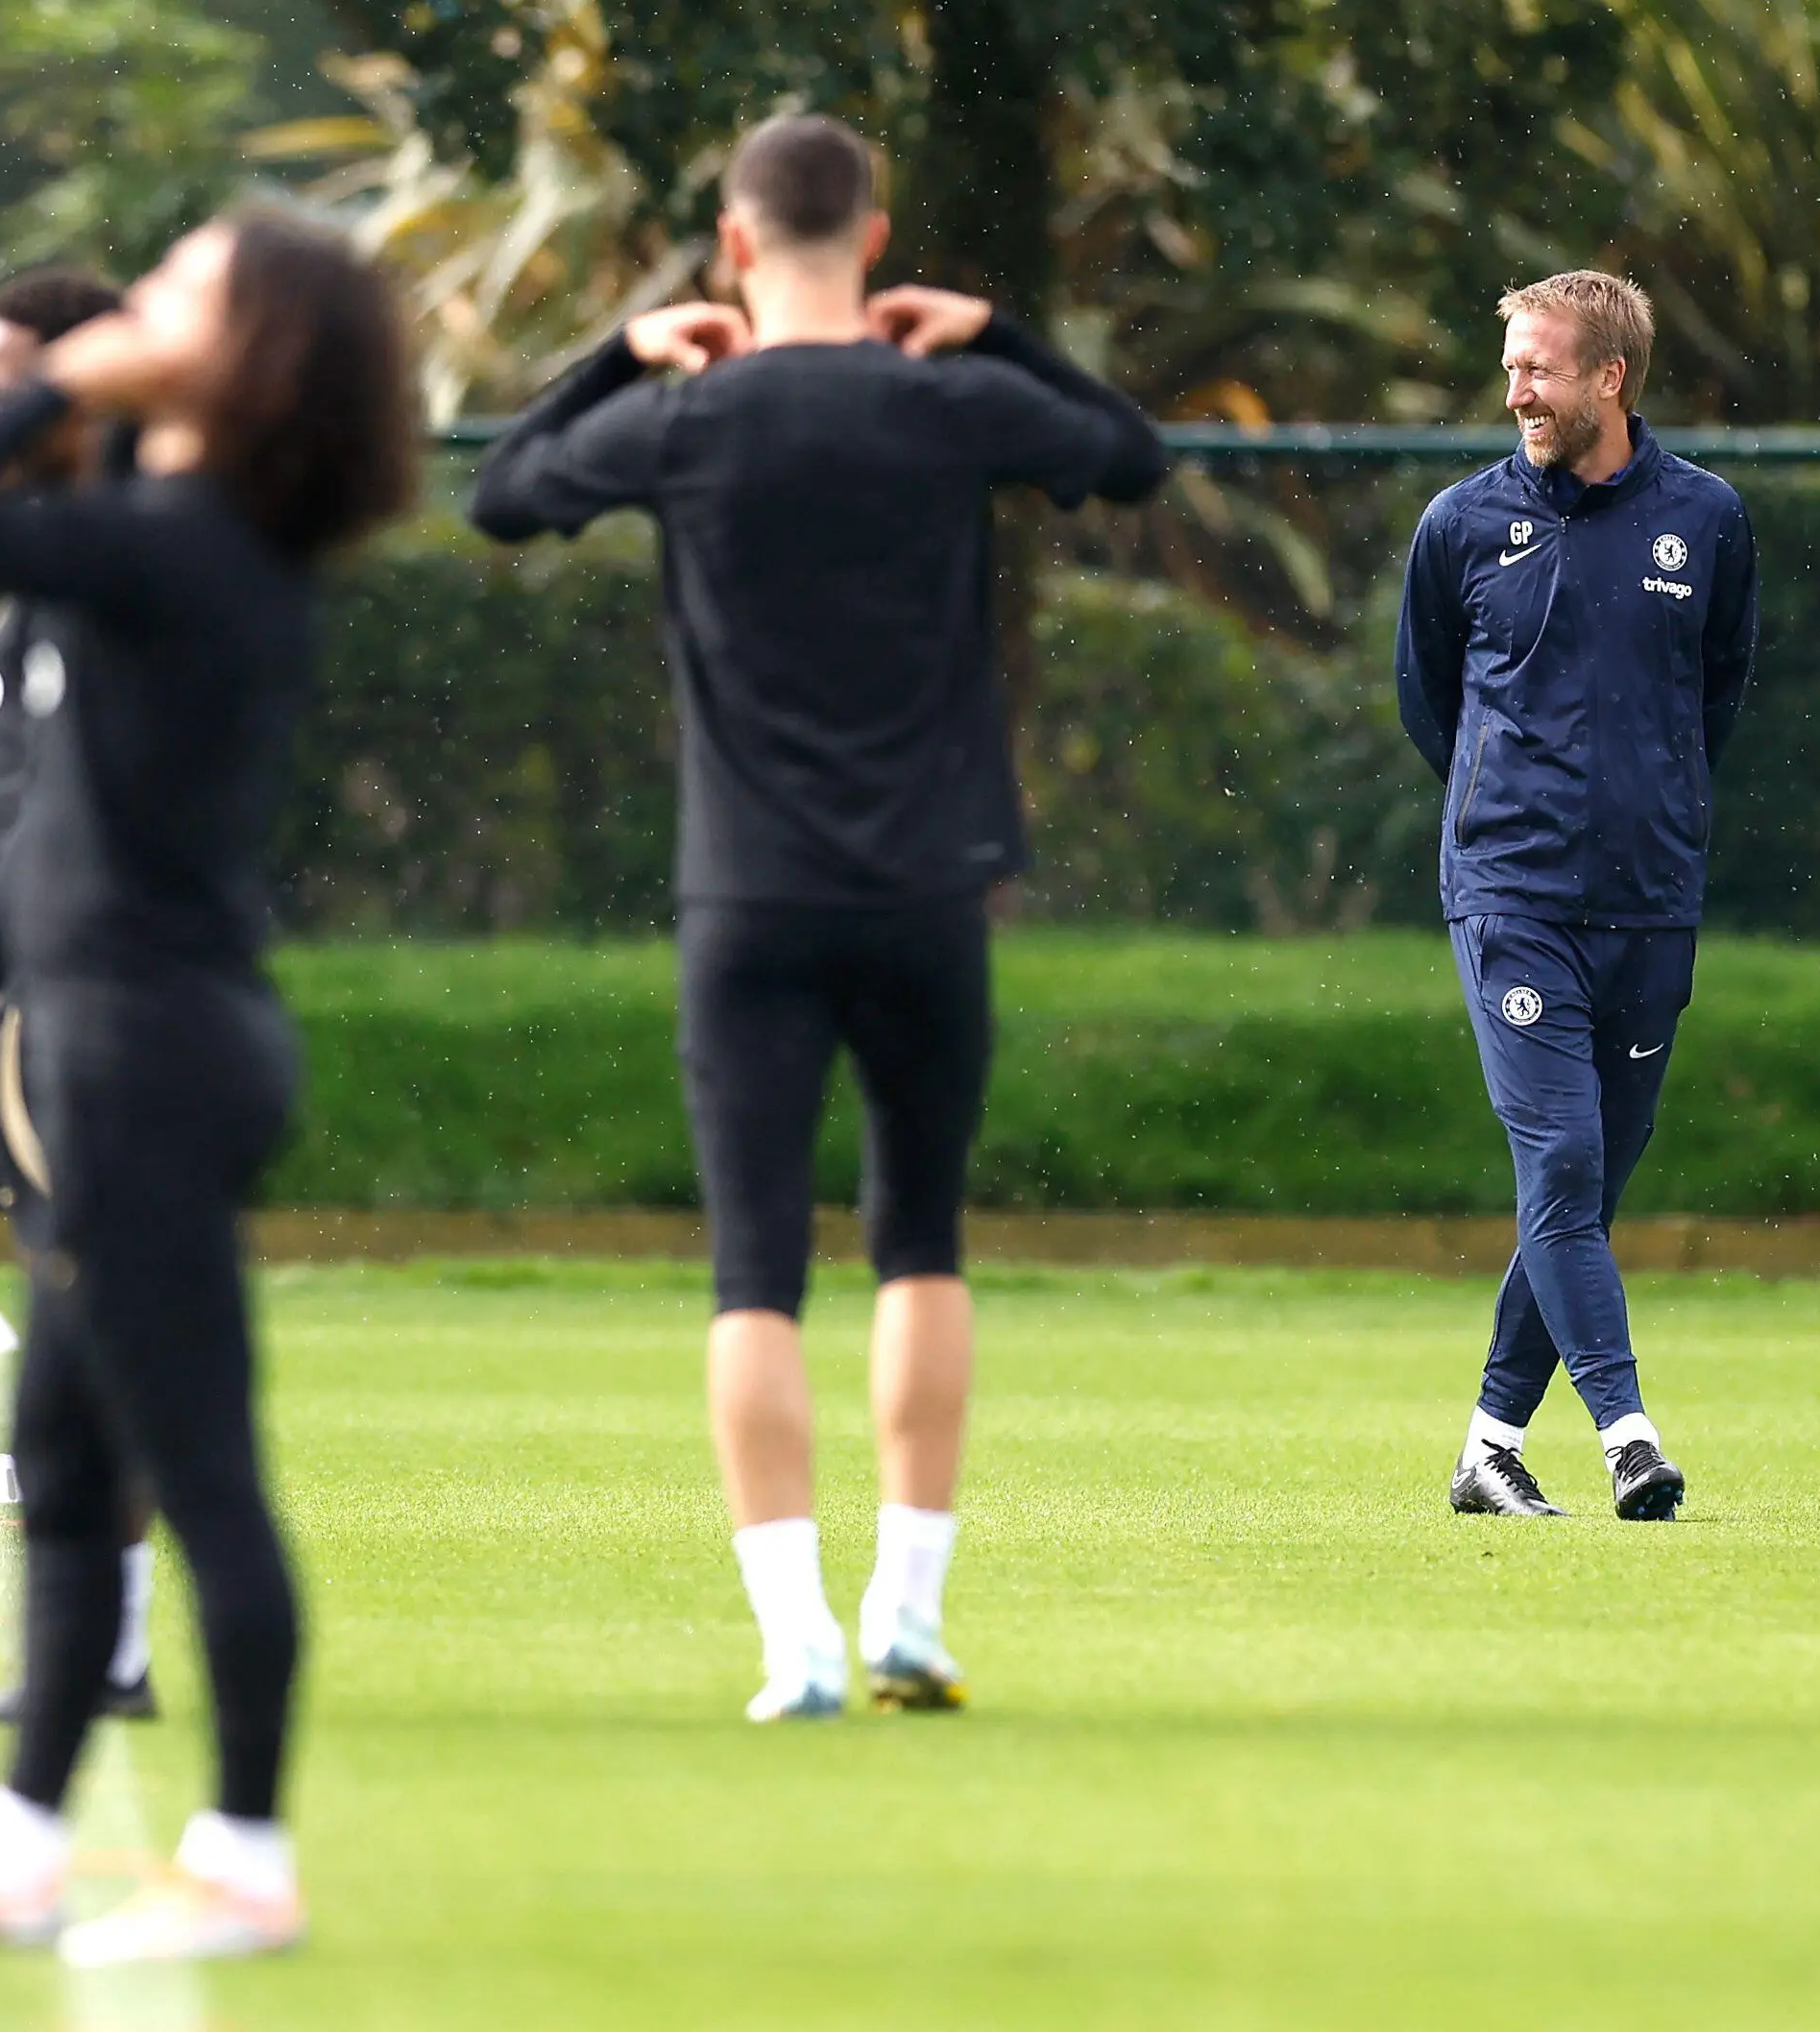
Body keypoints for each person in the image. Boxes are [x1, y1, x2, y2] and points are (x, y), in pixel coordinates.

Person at [469, 113, 1169, 1723]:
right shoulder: (948, 404)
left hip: (749, 896)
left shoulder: (688, 420)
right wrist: (1000, 333)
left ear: (729, 244)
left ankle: (793, 1642)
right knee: (919, 1240)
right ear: (870, 239)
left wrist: (614, 360)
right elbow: (1129, 457)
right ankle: (907, 1612)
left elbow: (502, 497)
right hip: (927, 890)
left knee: (754, 1270)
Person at [0, 208, 414, 1964]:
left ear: (252, 360)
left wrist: (59, 378)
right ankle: (17, 1842)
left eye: (183, 295)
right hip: (105, 1044)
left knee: (201, 1472)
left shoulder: (192, 546)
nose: (141, 309)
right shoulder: (162, 529)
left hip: (149, 1060)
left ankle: (245, 1856)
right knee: (67, 1472)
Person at [1396, 270, 1757, 1521]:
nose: (1513, 390)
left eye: (1537, 368)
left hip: (1652, 900)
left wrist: (1647, 809)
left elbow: (1715, 693)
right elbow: (1427, 701)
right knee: (1558, 1160)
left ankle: (1487, 1449)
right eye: (1508, 365)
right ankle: (1626, 1438)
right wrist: (1513, 819)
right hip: (1511, 897)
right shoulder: (1457, 527)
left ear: (1608, 377)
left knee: (1587, 1193)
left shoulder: (1705, 521)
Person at [0, 265, 164, 1733]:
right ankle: (99, 1654)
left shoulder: (109, 566)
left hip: (83, 987)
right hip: (36, 986)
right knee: (74, 1305)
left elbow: (62, 820)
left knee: (103, 1325)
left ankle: (110, 1655)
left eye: (10, 378)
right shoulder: (40, 570)